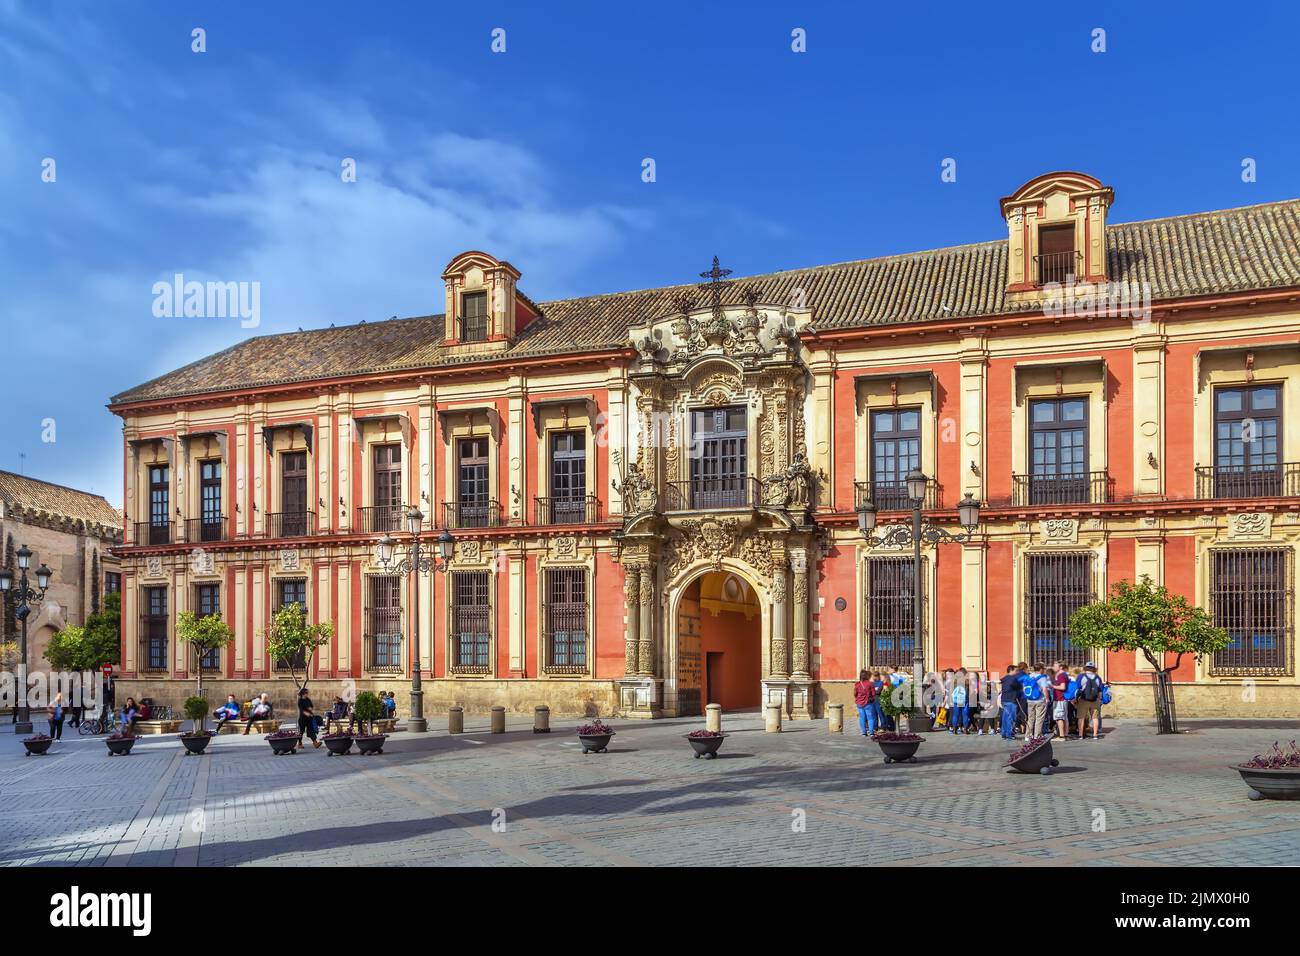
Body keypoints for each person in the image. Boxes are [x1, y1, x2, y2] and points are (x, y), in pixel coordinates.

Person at [1075, 661, 1106, 740]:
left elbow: (1077, 688)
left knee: (1081, 718)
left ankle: (1080, 735)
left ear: (1085, 667)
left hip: (1083, 699)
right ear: (1094, 669)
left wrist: (1075, 699)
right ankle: (1095, 735)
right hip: (1095, 700)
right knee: (1095, 718)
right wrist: (1099, 700)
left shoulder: (1081, 676)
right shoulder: (1098, 677)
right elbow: (1100, 690)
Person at [1023, 663, 1049, 742]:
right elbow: (1044, 689)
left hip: (1030, 700)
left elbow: (1024, 688)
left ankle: (1028, 735)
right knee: (1039, 718)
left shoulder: (1029, 676)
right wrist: (1047, 698)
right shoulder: (1042, 678)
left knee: (1030, 718)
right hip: (1040, 700)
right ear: (1041, 669)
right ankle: (1036, 735)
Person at [999, 665, 1022, 740]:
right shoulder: (1013, 679)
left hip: (1004, 700)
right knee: (1011, 718)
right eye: (1016, 670)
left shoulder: (1005, 678)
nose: (1017, 672)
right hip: (1011, 700)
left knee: (1005, 718)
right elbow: (1019, 687)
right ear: (1011, 670)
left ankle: (1004, 734)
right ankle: (1009, 734)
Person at [853, 670, 879, 736]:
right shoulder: (870, 684)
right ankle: (871, 732)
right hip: (868, 703)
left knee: (862, 717)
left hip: (859, 703)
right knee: (870, 717)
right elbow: (873, 694)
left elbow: (855, 694)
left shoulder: (857, 684)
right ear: (867, 676)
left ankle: (864, 732)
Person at [949, 668, 968, 735]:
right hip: (964, 700)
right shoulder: (967, 681)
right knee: (965, 715)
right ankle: (965, 729)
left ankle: (954, 730)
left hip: (956, 700)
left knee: (955, 715)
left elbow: (951, 691)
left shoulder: (954, 681)